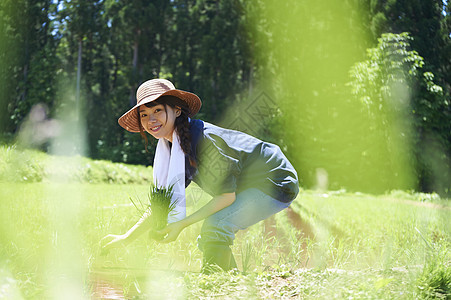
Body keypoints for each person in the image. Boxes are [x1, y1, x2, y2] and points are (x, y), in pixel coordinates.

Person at [101, 78, 299, 273]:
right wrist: (126, 238)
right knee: (210, 234)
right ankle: (228, 283)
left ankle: (216, 285)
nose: (150, 120)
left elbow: (227, 196)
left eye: (157, 110)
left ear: (177, 110)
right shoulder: (173, 148)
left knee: (216, 225)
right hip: (249, 185)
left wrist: (181, 224)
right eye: (144, 114)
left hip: (275, 181)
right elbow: (162, 203)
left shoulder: (203, 140)